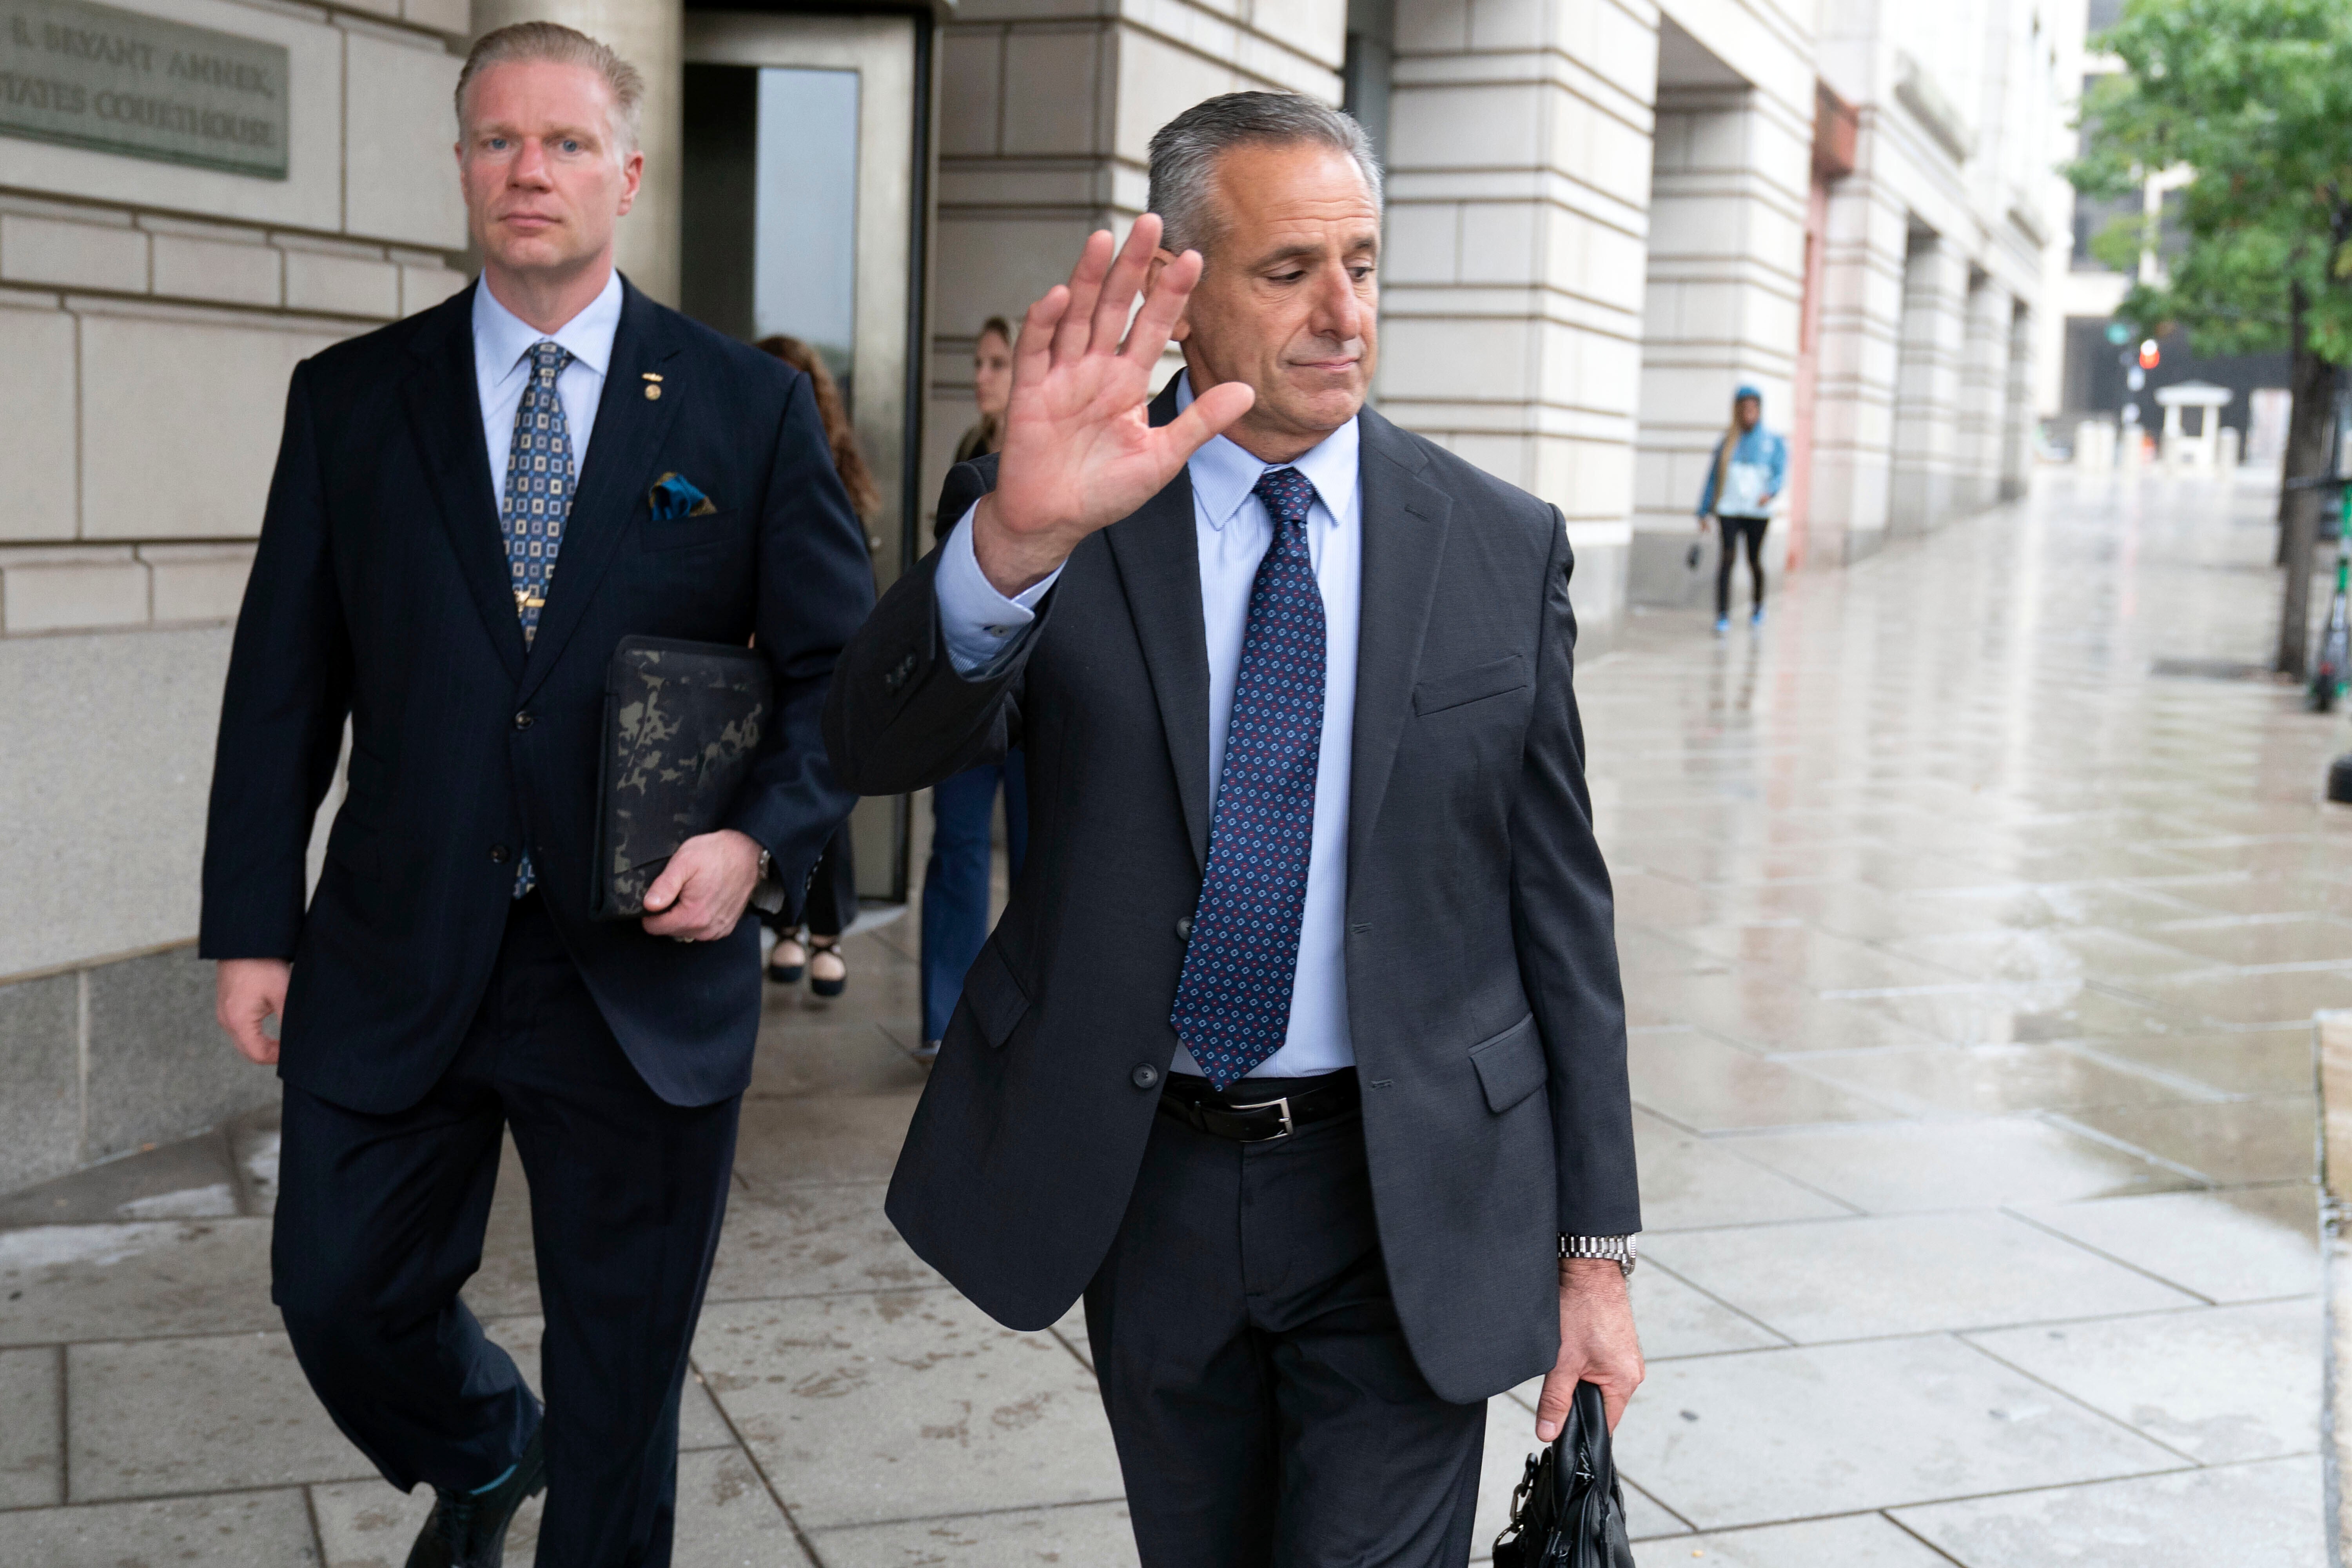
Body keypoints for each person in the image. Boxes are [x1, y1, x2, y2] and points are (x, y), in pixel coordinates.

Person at [825, 92, 1642, 1565]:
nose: (1343, 313)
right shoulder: (1071, 513)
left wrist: (1596, 1250)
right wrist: (1010, 545)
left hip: (1403, 1190)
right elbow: (872, 746)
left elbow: (1559, 916)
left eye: (1365, 265)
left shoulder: (1496, 544)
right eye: (1289, 272)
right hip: (1151, 1175)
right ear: (1182, 295)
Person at [199, 23, 871, 1568]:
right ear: (460, 168)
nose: (530, 171)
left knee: (626, 1395)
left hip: (637, 972)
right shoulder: (352, 401)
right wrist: (254, 924)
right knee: (334, 1289)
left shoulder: (739, 412)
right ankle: (490, 1444)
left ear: (627, 175)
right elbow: (283, 682)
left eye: (566, 142)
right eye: (500, 141)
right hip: (396, 943)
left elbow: (847, 676)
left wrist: (757, 840)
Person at [916, 316, 1029, 1056]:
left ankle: (1032, 1022)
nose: (981, 376)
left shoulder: (1059, 453)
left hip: (1039, 695)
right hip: (964, 689)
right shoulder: (969, 449)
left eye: (995, 363)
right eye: (979, 361)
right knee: (956, 849)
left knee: (1039, 859)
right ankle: (945, 1022)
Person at [752, 333, 876, 999]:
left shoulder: (831, 467)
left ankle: (825, 932)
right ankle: (790, 930)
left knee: (821, 799)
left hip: (817, 661)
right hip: (751, 669)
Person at [1695, 383, 1786, 633]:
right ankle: (1722, 614)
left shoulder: (1772, 441)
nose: (1749, 414)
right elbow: (1713, 478)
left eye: (1753, 409)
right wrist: (1703, 511)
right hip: (1730, 510)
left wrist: (1771, 492)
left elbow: (1780, 472)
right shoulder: (1727, 443)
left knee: (1754, 560)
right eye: (1744, 409)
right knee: (1727, 559)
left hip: (1757, 513)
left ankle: (1758, 607)